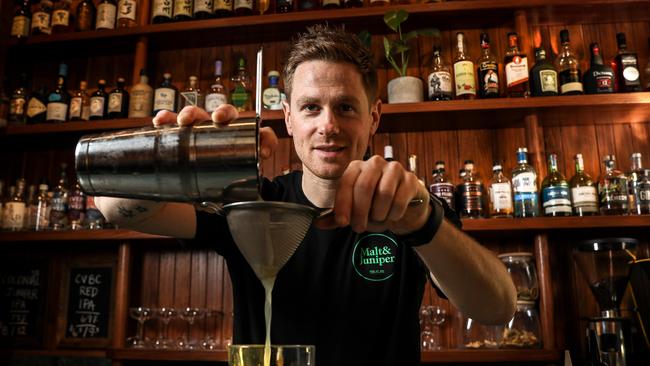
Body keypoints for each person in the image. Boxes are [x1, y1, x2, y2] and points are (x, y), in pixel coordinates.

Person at [96, 25, 516, 366]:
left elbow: (499, 308)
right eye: (311, 107)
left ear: (374, 118)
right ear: (289, 119)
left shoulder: (409, 206)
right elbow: (114, 205)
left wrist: (423, 225)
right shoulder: (250, 202)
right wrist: (176, 157)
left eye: (346, 108)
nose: (328, 125)